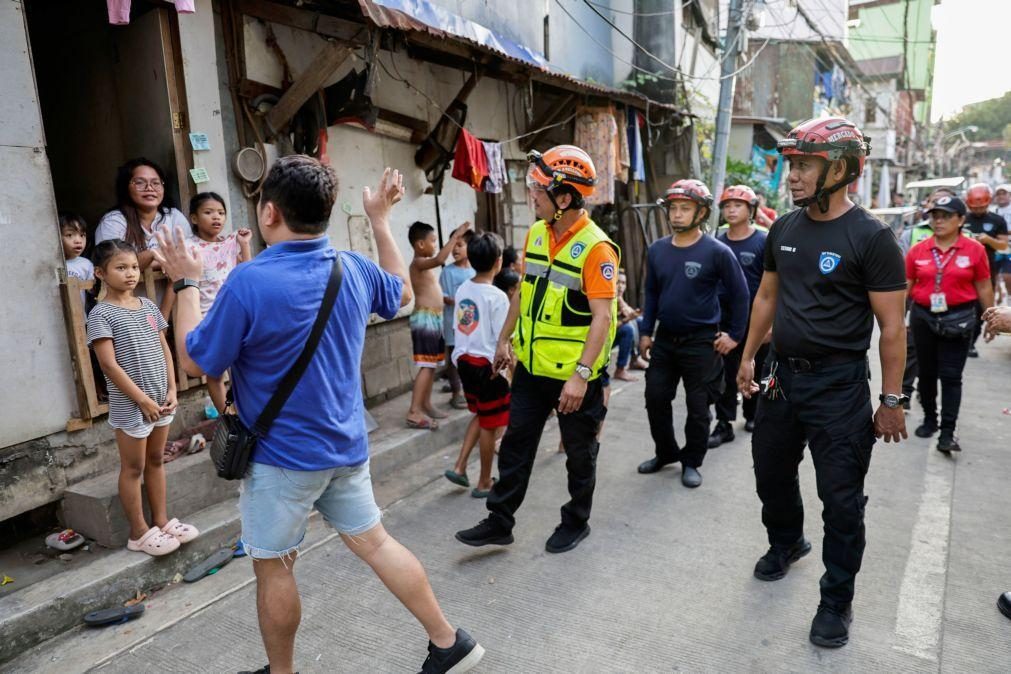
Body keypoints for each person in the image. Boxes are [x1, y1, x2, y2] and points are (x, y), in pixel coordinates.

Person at [153, 157, 483, 674]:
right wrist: (379, 219)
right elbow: (399, 289)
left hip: (281, 460)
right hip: (347, 446)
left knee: (274, 567)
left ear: (268, 213)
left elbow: (196, 360)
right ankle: (448, 641)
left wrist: (187, 283)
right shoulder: (350, 267)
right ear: (326, 213)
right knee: (376, 543)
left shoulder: (249, 281)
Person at [735, 117, 908, 649]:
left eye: (805, 165)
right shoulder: (784, 229)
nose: (794, 175)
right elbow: (766, 297)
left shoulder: (872, 238)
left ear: (840, 168)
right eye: (793, 165)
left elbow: (893, 327)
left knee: (841, 499)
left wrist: (892, 400)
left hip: (839, 388)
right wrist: (747, 358)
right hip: (783, 379)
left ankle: (836, 600)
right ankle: (787, 542)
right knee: (770, 474)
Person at [455, 145, 619, 554]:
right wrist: (504, 340)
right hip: (531, 369)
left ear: (565, 198)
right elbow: (522, 296)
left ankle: (576, 522)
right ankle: (500, 520)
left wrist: (581, 376)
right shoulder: (537, 234)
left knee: (579, 456)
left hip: (573, 377)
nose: (533, 197)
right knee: (516, 445)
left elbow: (602, 318)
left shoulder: (597, 249)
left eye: (540, 191)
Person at [634, 179, 749, 488]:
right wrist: (645, 332)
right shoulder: (657, 250)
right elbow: (652, 293)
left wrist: (734, 335)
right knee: (655, 398)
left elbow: (741, 296)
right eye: (673, 208)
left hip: (702, 342)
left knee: (698, 409)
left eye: (685, 208)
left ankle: (692, 461)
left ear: (701, 213)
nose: (677, 215)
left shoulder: (717, 252)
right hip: (665, 340)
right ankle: (666, 452)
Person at [86, 239, 197, 557]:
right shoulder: (100, 314)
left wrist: (173, 388)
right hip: (133, 406)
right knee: (133, 468)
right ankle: (138, 532)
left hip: (161, 399)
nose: (131, 273)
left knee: (155, 461)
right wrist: (142, 400)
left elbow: (164, 347)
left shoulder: (148, 306)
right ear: (100, 272)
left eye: (134, 266)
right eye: (121, 267)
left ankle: (161, 521)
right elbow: (108, 364)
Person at [906, 196, 994, 453]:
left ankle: (947, 431)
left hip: (960, 319)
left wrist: (990, 319)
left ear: (961, 220)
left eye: (945, 216)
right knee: (926, 373)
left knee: (952, 376)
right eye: (935, 216)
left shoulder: (974, 250)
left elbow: (984, 286)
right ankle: (930, 418)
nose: (939, 221)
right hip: (923, 317)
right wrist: (896, 321)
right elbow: (906, 287)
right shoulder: (918, 250)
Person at [443, 232, 510, 498]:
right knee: (490, 424)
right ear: (498, 262)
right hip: (486, 365)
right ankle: (484, 481)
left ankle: (460, 467)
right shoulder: (497, 297)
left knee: (481, 415)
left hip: (464, 362)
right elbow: (502, 339)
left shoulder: (463, 289)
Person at [710, 185, 770, 446]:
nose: (731, 210)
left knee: (754, 368)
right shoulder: (716, 241)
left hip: (756, 318)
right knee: (724, 372)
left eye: (738, 205)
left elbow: (774, 285)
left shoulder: (763, 241)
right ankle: (724, 423)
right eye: (727, 205)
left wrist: (772, 323)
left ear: (751, 210)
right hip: (723, 318)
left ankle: (753, 413)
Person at [407, 220, 473, 429]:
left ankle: (425, 404)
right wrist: (455, 237)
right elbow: (440, 259)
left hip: (434, 318)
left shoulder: (424, 263)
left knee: (432, 365)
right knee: (426, 366)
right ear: (420, 245)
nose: (436, 245)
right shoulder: (418, 262)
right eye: (433, 241)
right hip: (425, 318)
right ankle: (414, 411)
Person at [95, 158, 189, 271]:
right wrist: (152, 254)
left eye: (156, 183)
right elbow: (111, 265)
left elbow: (189, 256)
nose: (149, 188)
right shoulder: (113, 221)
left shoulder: (174, 216)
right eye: (140, 182)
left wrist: (149, 262)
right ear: (125, 187)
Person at [963, 183, 1008, 356]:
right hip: (963, 270)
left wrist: (989, 240)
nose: (978, 210)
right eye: (975, 207)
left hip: (988, 270)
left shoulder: (997, 220)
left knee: (982, 307)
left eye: (982, 206)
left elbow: (1003, 245)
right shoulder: (962, 219)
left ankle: (971, 342)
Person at [439, 229, 476, 410]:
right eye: (453, 245)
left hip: (472, 324)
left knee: (471, 356)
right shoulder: (447, 272)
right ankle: (456, 393)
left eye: (460, 245)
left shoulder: (475, 271)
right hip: (453, 323)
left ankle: (471, 390)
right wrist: (464, 301)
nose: (455, 250)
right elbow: (444, 297)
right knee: (455, 358)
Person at [612, 268, 648, 381]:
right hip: (603, 342)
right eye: (617, 282)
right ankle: (620, 369)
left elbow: (630, 313)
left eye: (623, 283)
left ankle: (635, 359)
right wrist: (626, 319)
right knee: (627, 329)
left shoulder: (619, 299)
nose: (621, 286)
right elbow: (606, 328)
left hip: (612, 335)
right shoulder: (607, 299)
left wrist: (633, 314)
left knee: (640, 321)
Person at [60, 212, 95, 311]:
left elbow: (94, 291)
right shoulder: (55, 264)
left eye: (82, 235)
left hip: (80, 317)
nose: (78, 240)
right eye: (70, 235)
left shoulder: (86, 264)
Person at [992, 184, 1011, 304]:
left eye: (1004, 193)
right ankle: (996, 297)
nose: (1001, 196)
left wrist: (1005, 233)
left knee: (1006, 276)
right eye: (998, 194)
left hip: (1009, 247)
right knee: (994, 275)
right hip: (995, 247)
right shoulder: (993, 211)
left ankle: (1009, 296)